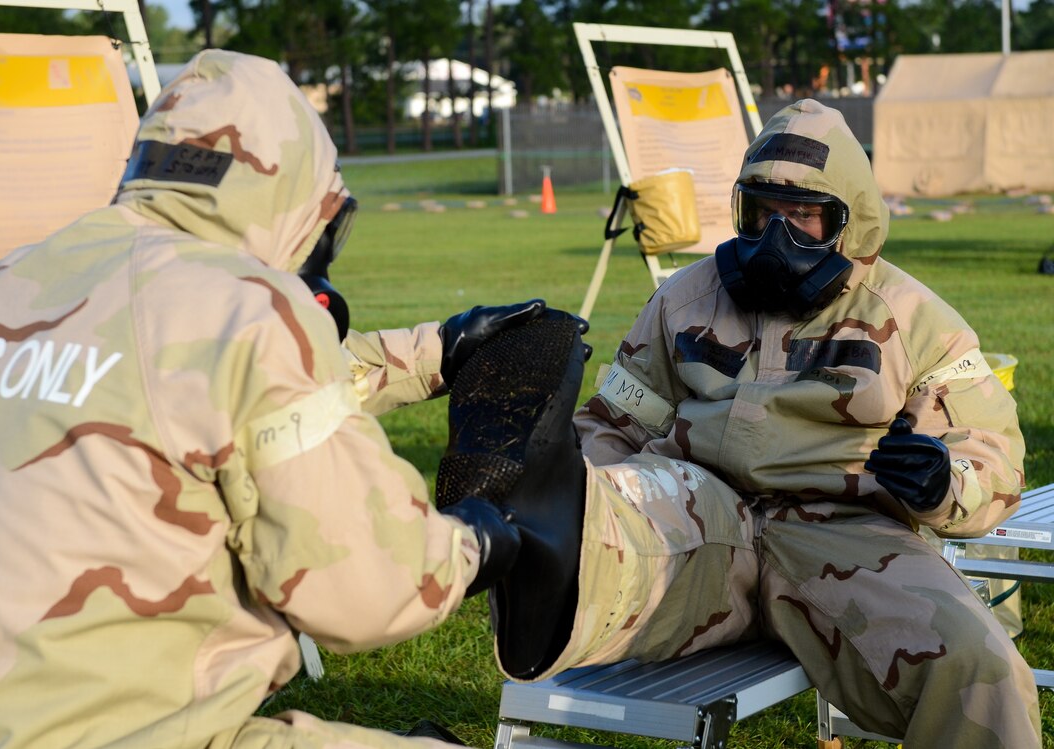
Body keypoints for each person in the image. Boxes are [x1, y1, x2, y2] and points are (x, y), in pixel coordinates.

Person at [0, 49, 577, 749]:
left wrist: (437, 350)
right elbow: (365, 587)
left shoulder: (16, 279)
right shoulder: (246, 305)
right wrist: (474, 541)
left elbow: (197, 400)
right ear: (287, 193)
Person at [439, 99, 1040, 747]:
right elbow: (615, 423)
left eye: (805, 215)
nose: (778, 235)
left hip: (845, 533)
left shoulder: (916, 320)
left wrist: (943, 481)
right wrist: (579, 486)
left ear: (851, 220)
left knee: (982, 671)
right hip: (704, 513)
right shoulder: (684, 299)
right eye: (762, 211)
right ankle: (545, 572)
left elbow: (993, 460)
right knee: (601, 525)